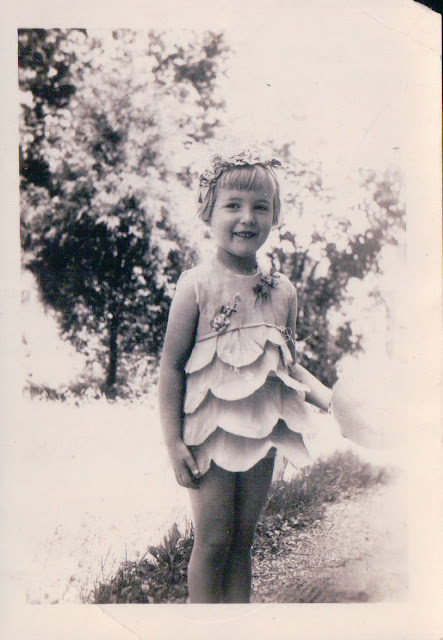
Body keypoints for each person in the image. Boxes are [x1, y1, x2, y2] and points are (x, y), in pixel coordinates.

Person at [158, 151, 368, 604]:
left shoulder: (282, 291)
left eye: (260, 206)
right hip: (209, 432)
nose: (247, 218)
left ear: (275, 215)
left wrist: (334, 403)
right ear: (208, 211)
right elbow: (171, 367)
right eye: (233, 205)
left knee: (242, 542)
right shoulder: (196, 285)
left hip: (263, 432)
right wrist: (173, 443)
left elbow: (288, 365)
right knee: (214, 539)